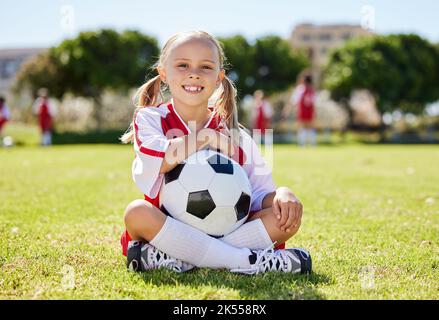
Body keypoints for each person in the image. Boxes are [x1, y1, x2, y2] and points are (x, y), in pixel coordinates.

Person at [120, 31, 312, 275]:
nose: (194, 73)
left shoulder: (236, 135)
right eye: (182, 65)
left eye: (206, 67)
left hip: (226, 228)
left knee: (283, 219)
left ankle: (180, 259)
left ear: (220, 77)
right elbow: (159, 160)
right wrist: (206, 137)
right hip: (167, 226)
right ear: (164, 73)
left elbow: (258, 194)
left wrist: (282, 195)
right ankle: (248, 261)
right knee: (137, 213)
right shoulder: (150, 118)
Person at [283, 74, 317, 146]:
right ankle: (313, 144)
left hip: (302, 111)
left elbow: (293, 101)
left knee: (302, 127)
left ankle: (302, 144)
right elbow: (314, 102)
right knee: (310, 128)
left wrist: (287, 109)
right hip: (310, 111)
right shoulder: (312, 90)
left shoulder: (300, 89)